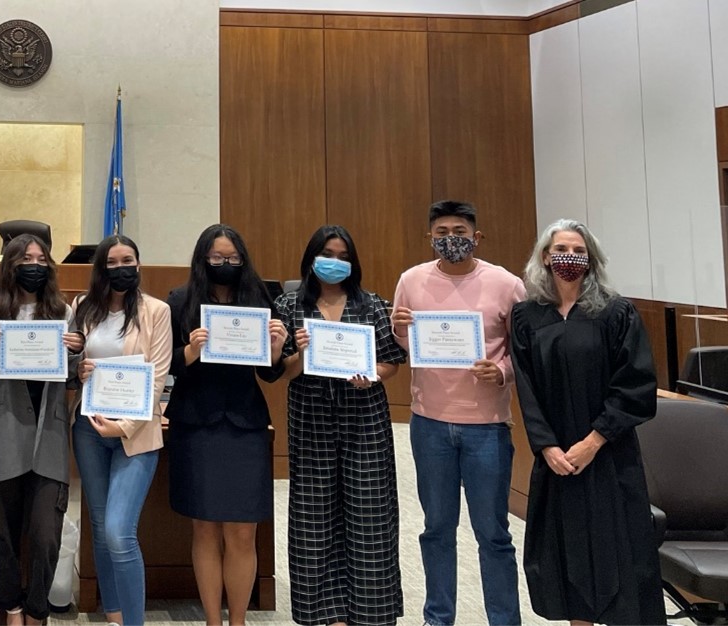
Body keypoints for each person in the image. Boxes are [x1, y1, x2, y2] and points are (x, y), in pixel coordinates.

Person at [510, 219, 661, 626]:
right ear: (545, 256)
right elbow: (525, 388)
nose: (570, 257)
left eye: (579, 251)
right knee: (567, 557)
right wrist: (547, 446)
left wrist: (593, 441)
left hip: (609, 455)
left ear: (591, 259)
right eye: (562, 249)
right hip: (556, 457)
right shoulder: (526, 316)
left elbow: (636, 384)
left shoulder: (615, 311)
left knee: (618, 555)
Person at [390, 201, 525, 626]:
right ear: (429, 237)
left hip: (487, 428)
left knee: (493, 534)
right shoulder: (411, 280)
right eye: (442, 231)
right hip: (429, 424)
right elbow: (405, 343)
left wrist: (501, 371)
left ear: (477, 236)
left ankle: (504, 620)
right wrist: (400, 329)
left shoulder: (506, 284)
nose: (452, 238)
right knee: (436, 530)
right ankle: (438, 618)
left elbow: (526, 352)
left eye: (461, 230)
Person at [275, 225, 406, 626]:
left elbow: (390, 362)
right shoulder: (288, 305)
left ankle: (371, 610)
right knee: (314, 517)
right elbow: (283, 372)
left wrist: (374, 375)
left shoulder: (373, 305)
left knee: (370, 514)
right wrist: (301, 354)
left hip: (364, 418)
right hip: (311, 419)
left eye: (343, 255)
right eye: (326, 253)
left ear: (353, 262)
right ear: (312, 258)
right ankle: (325, 614)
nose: (334, 262)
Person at [165, 224, 287, 626]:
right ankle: (212, 622)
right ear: (203, 260)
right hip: (196, 424)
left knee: (242, 532)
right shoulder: (181, 300)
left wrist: (273, 351)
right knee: (205, 529)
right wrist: (192, 350)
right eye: (217, 258)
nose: (225, 264)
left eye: (233, 258)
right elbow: (168, 367)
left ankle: (238, 621)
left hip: (244, 425)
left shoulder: (258, 299)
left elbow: (269, 375)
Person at [0, 234, 84, 626]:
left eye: (41, 258)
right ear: (10, 265)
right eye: (26, 258)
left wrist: (75, 354)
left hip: (48, 435)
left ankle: (38, 610)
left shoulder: (63, 314)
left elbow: (72, 379)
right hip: (2, 431)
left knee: (44, 534)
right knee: (3, 532)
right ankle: (12, 606)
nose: (34, 264)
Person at [69, 235, 173, 626]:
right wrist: (80, 371)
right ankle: (113, 616)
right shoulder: (83, 307)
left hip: (136, 434)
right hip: (89, 428)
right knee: (98, 527)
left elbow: (158, 377)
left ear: (139, 264)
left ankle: (133, 622)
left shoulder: (156, 311)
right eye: (111, 262)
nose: (120, 267)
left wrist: (124, 426)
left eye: (127, 260)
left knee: (118, 532)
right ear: (100, 268)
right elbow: (78, 362)